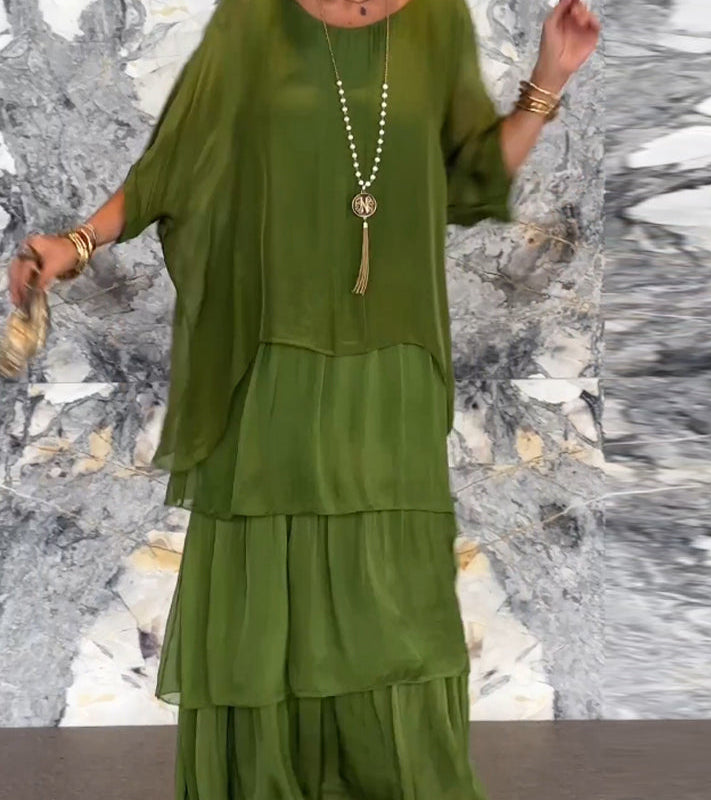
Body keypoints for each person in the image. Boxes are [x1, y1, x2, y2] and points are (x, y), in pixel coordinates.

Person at [6, 0, 599, 796]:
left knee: (393, 603)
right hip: (270, 354)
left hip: (393, 359)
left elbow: (470, 179)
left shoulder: (436, 20)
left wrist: (550, 77)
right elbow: (171, 167)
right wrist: (74, 244)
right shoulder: (253, 21)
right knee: (270, 599)